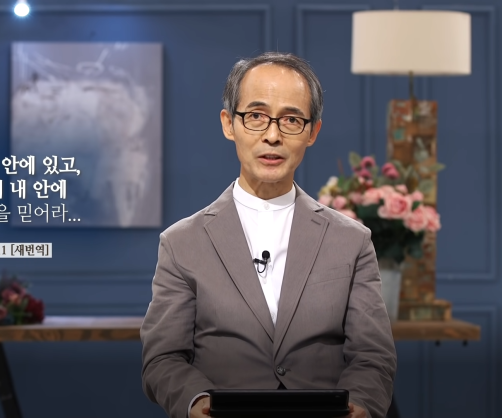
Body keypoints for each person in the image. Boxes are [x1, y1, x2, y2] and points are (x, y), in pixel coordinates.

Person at [140, 52, 397, 418]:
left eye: (291, 120)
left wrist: (362, 405)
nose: (272, 135)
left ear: (312, 132)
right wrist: (196, 402)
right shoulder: (182, 243)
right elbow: (163, 358)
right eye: (256, 116)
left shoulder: (351, 241)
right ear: (229, 124)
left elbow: (373, 355)